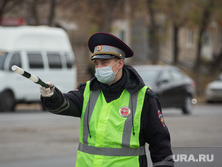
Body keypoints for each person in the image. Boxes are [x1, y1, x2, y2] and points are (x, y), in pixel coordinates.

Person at [40, 32, 174, 167]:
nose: (99, 68)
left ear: (120, 63)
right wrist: (51, 95)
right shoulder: (87, 91)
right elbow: (63, 104)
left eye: (105, 63)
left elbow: (160, 144)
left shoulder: (143, 97)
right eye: (97, 64)